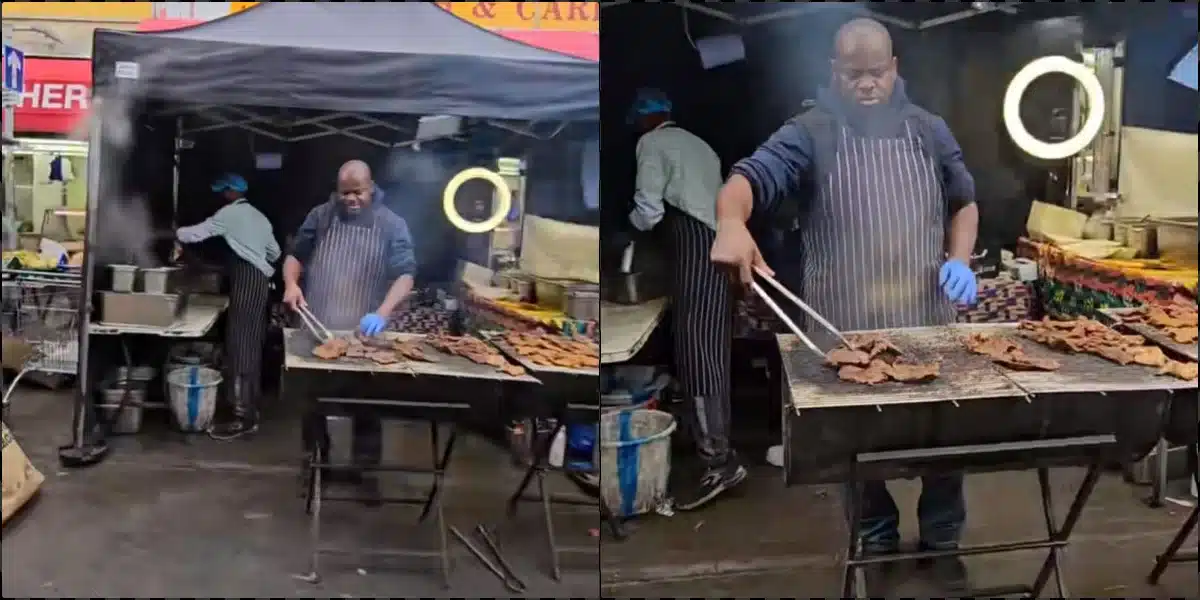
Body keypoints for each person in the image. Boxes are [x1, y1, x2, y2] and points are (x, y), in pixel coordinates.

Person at [709, 18, 979, 592]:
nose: (865, 85)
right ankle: (875, 537)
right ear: (835, 72)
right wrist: (731, 221)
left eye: (875, 72)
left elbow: (965, 201)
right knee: (861, 452)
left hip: (928, 321)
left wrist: (960, 258)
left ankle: (942, 540)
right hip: (845, 331)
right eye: (853, 74)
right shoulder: (811, 131)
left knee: (944, 442)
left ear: (894, 69)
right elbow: (746, 179)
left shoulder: (928, 131)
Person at [626, 88, 746, 510]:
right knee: (714, 352)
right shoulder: (701, 146)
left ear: (644, 119)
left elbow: (650, 208)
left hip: (696, 247)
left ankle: (718, 462)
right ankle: (722, 451)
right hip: (721, 250)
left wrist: (631, 228)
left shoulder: (652, 143)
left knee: (696, 352)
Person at [282, 160, 416, 501]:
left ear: (371, 188)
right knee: (312, 404)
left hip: (363, 333)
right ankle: (314, 467)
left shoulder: (391, 224)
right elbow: (296, 255)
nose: (351, 199)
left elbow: (405, 274)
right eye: (345, 193)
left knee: (366, 405)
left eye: (358, 192)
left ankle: (366, 473)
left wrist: (382, 313)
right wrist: (291, 284)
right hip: (318, 325)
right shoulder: (322, 215)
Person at [175, 173, 280, 440]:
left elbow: (196, 233)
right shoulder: (260, 217)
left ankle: (242, 417)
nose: (222, 196)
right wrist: (254, 251)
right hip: (261, 285)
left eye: (224, 191)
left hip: (247, 281)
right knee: (252, 345)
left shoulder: (229, 214)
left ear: (233, 192)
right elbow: (275, 253)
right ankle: (251, 410)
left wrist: (174, 233)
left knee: (240, 345)